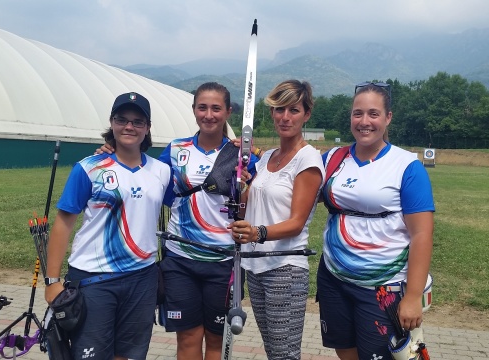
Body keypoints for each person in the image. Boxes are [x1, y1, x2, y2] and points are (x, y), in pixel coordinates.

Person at [99, 82, 258, 360]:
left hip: (223, 262)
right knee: (187, 337)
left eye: (216, 108)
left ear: (229, 111)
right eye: (202, 107)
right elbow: (145, 178)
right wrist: (111, 155)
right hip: (180, 260)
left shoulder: (240, 154)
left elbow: (247, 211)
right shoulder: (176, 150)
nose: (209, 114)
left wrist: (244, 185)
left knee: (217, 341)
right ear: (194, 110)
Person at [45, 92, 172, 360]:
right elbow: (63, 224)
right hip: (94, 279)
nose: (129, 127)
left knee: (128, 355)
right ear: (111, 123)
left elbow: (193, 196)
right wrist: (52, 281)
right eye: (122, 119)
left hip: (142, 278)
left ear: (147, 128)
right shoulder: (89, 168)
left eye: (138, 122)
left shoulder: (162, 171)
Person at [316, 81, 435, 360]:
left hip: (383, 286)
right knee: (345, 351)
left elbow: (422, 235)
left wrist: (413, 297)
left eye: (373, 114)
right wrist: (250, 160)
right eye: (358, 113)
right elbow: (294, 184)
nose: (364, 121)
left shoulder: (407, 166)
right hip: (334, 278)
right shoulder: (333, 158)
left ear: (388, 118)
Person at [229, 79, 325, 360]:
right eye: (279, 109)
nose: (285, 117)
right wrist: (243, 184)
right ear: (272, 112)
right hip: (256, 266)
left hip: (285, 269)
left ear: (306, 114)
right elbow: (248, 207)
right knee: (273, 351)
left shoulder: (307, 160)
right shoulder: (268, 157)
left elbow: (297, 222)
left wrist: (256, 233)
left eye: (293, 110)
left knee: (284, 354)